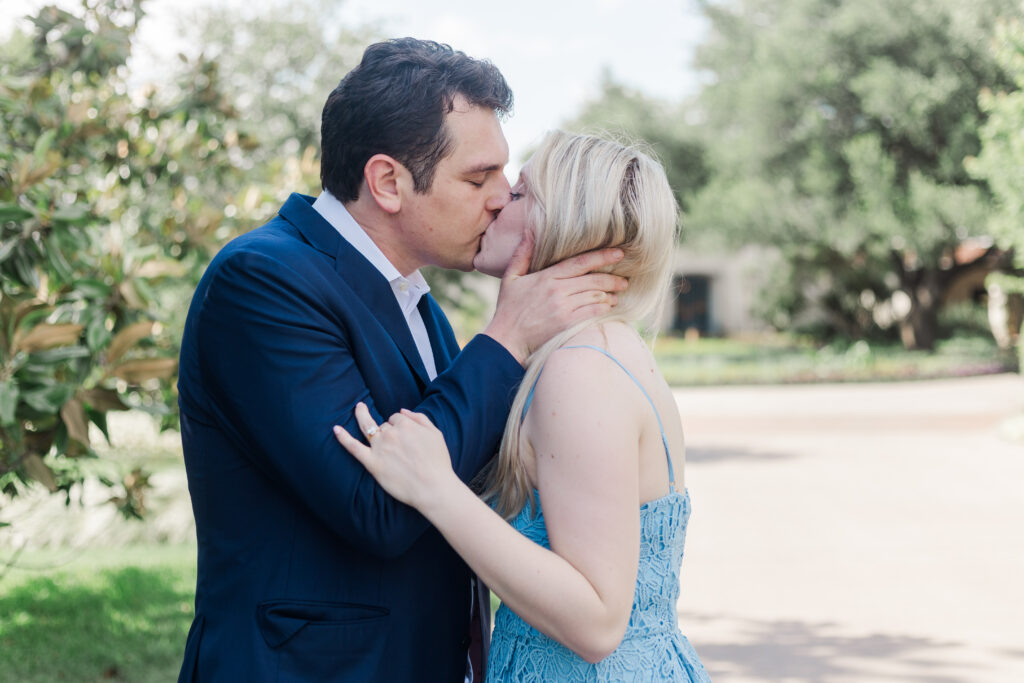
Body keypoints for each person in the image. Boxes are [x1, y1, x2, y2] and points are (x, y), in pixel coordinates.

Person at [175, 40, 628, 683]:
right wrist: (508, 337)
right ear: (388, 181)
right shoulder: (261, 281)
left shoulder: (417, 302)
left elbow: (459, 472)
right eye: (477, 178)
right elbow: (377, 508)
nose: (502, 197)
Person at [335, 130, 713, 681]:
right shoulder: (596, 346)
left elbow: (596, 623)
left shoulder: (581, 367)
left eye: (517, 194)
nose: (495, 201)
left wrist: (436, 488)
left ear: (565, 222)